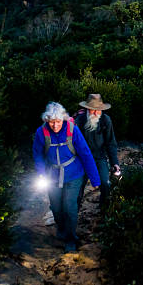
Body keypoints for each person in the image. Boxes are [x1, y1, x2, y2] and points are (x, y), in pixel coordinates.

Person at [33, 102, 101, 253]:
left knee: (69, 207)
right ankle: (62, 230)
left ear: (63, 119)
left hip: (74, 175)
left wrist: (95, 179)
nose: (55, 125)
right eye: (51, 122)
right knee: (56, 207)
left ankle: (71, 239)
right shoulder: (41, 133)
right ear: (47, 121)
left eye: (57, 122)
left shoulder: (73, 131)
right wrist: (41, 172)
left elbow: (85, 154)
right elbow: (37, 154)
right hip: (52, 176)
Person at [75, 94, 120, 209]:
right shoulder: (80, 120)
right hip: (82, 159)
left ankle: (104, 209)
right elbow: (72, 142)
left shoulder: (105, 120)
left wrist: (114, 162)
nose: (95, 113)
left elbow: (111, 142)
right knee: (78, 186)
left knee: (105, 183)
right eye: (92, 110)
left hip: (99, 157)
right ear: (87, 109)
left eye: (98, 110)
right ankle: (74, 211)